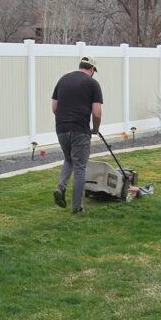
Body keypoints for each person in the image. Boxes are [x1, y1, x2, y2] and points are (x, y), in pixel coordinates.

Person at [52, 56, 103, 214]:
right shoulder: (92, 84)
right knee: (80, 167)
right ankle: (77, 207)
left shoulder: (63, 80)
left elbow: (54, 107)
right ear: (92, 69)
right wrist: (95, 128)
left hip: (61, 128)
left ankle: (61, 187)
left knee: (69, 159)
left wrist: (65, 119)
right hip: (80, 130)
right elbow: (96, 112)